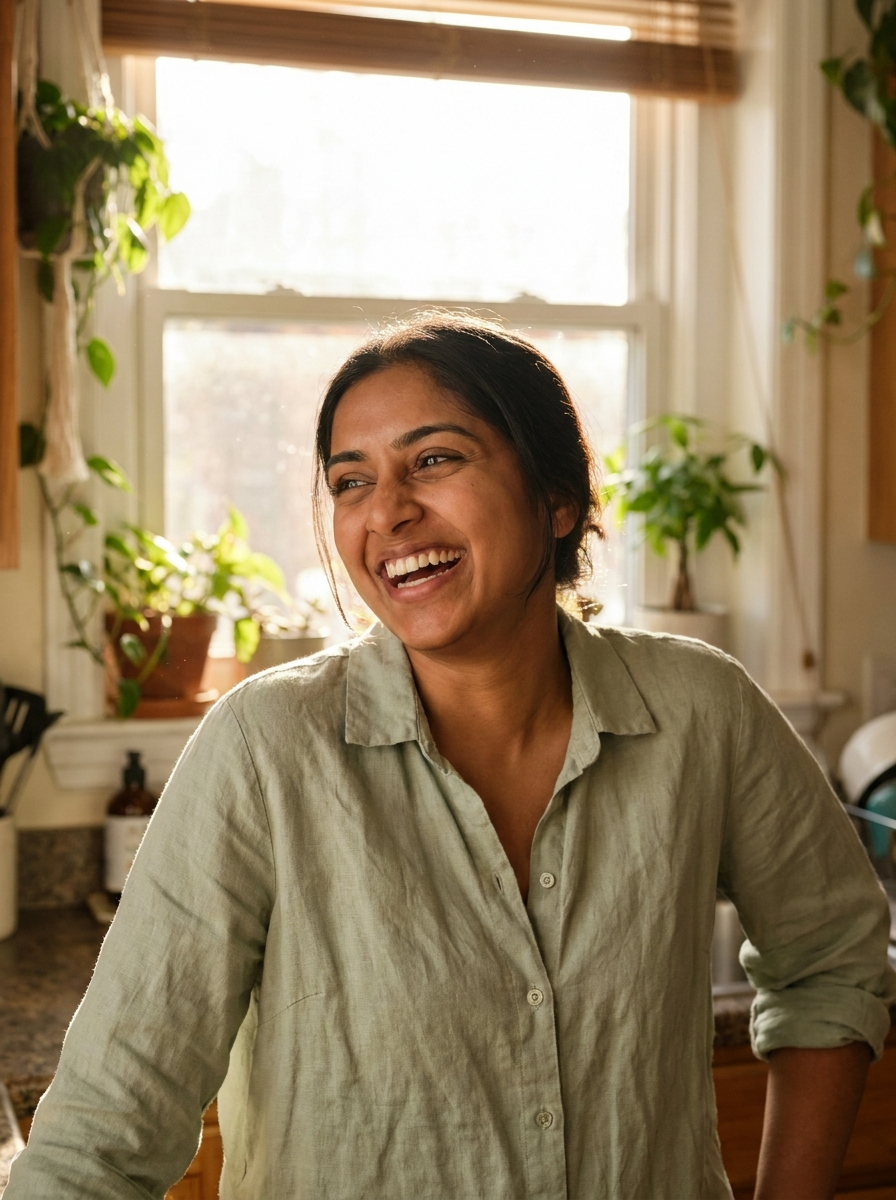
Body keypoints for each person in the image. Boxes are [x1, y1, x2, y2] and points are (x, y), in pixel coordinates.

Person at [7, 314, 895, 1200]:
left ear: (557, 497)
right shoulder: (264, 750)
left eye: (434, 460)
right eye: (351, 480)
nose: (387, 510)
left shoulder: (703, 712)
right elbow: (104, 1134)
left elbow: (833, 954)